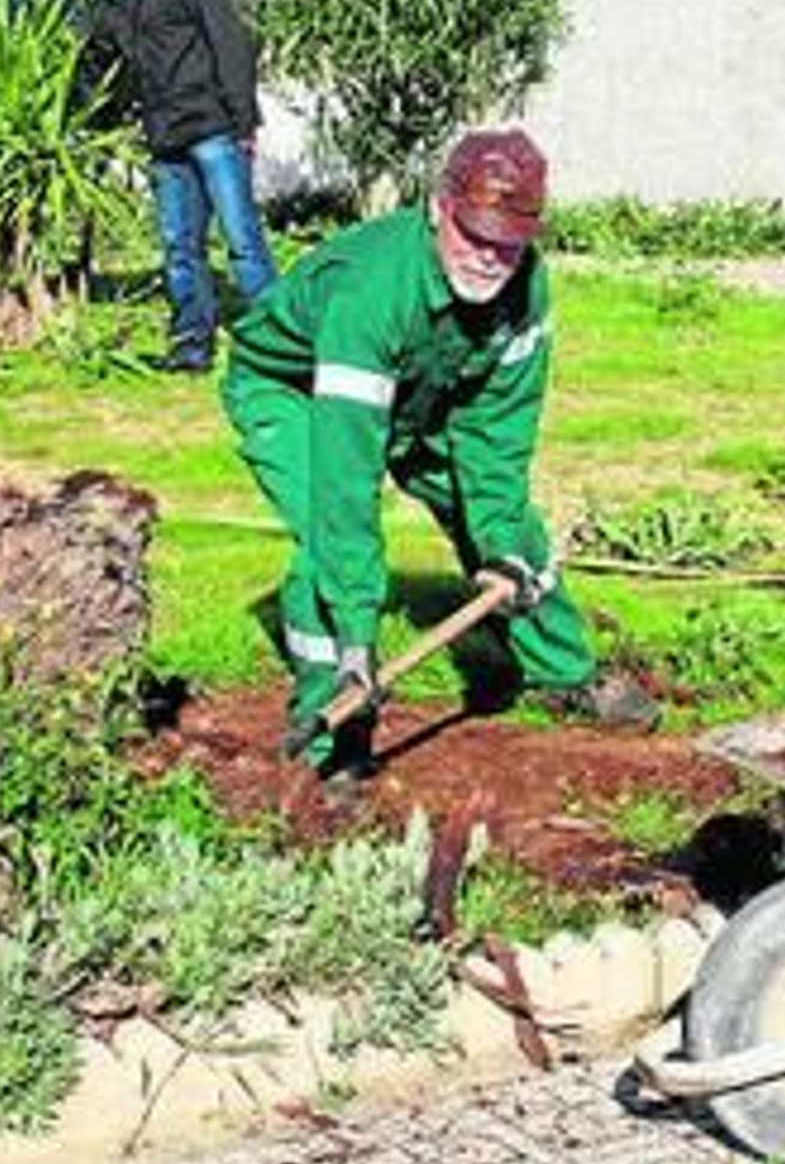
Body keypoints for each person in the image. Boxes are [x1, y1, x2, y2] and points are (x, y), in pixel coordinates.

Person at [223, 126, 658, 780]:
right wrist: (360, 638)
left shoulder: (523, 292)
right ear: (437, 209)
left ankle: (564, 672)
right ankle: (331, 728)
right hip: (297, 389)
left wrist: (502, 545)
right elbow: (347, 484)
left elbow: (496, 438)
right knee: (327, 540)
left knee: (510, 528)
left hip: (421, 389)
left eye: (507, 245)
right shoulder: (369, 294)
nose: (488, 257)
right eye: (473, 235)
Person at [66, 0, 276, 372]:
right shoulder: (112, 1)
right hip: (164, 138)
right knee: (180, 249)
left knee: (243, 242)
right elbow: (100, 67)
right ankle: (191, 348)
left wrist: (244, 121)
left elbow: (228, 35)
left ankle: (280, 346)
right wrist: (75, 122)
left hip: (215, 128)